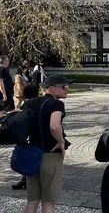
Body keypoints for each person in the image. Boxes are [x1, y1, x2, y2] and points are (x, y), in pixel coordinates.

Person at [23, 75, 73, 213]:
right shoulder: (57, 104)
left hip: (32, 154)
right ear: (51, 88)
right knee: (48, 202)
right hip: (50, 155)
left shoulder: (31, 102)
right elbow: (54, 126)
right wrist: (61, 142)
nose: (66, 90)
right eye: (63, 87)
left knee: (32, 201)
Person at [11, 83, 39, 191]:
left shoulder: (27, 104)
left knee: (28, 157)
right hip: (37, 134)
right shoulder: (39, 103)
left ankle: (26, 179)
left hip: (28, 135)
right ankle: (27, 179)